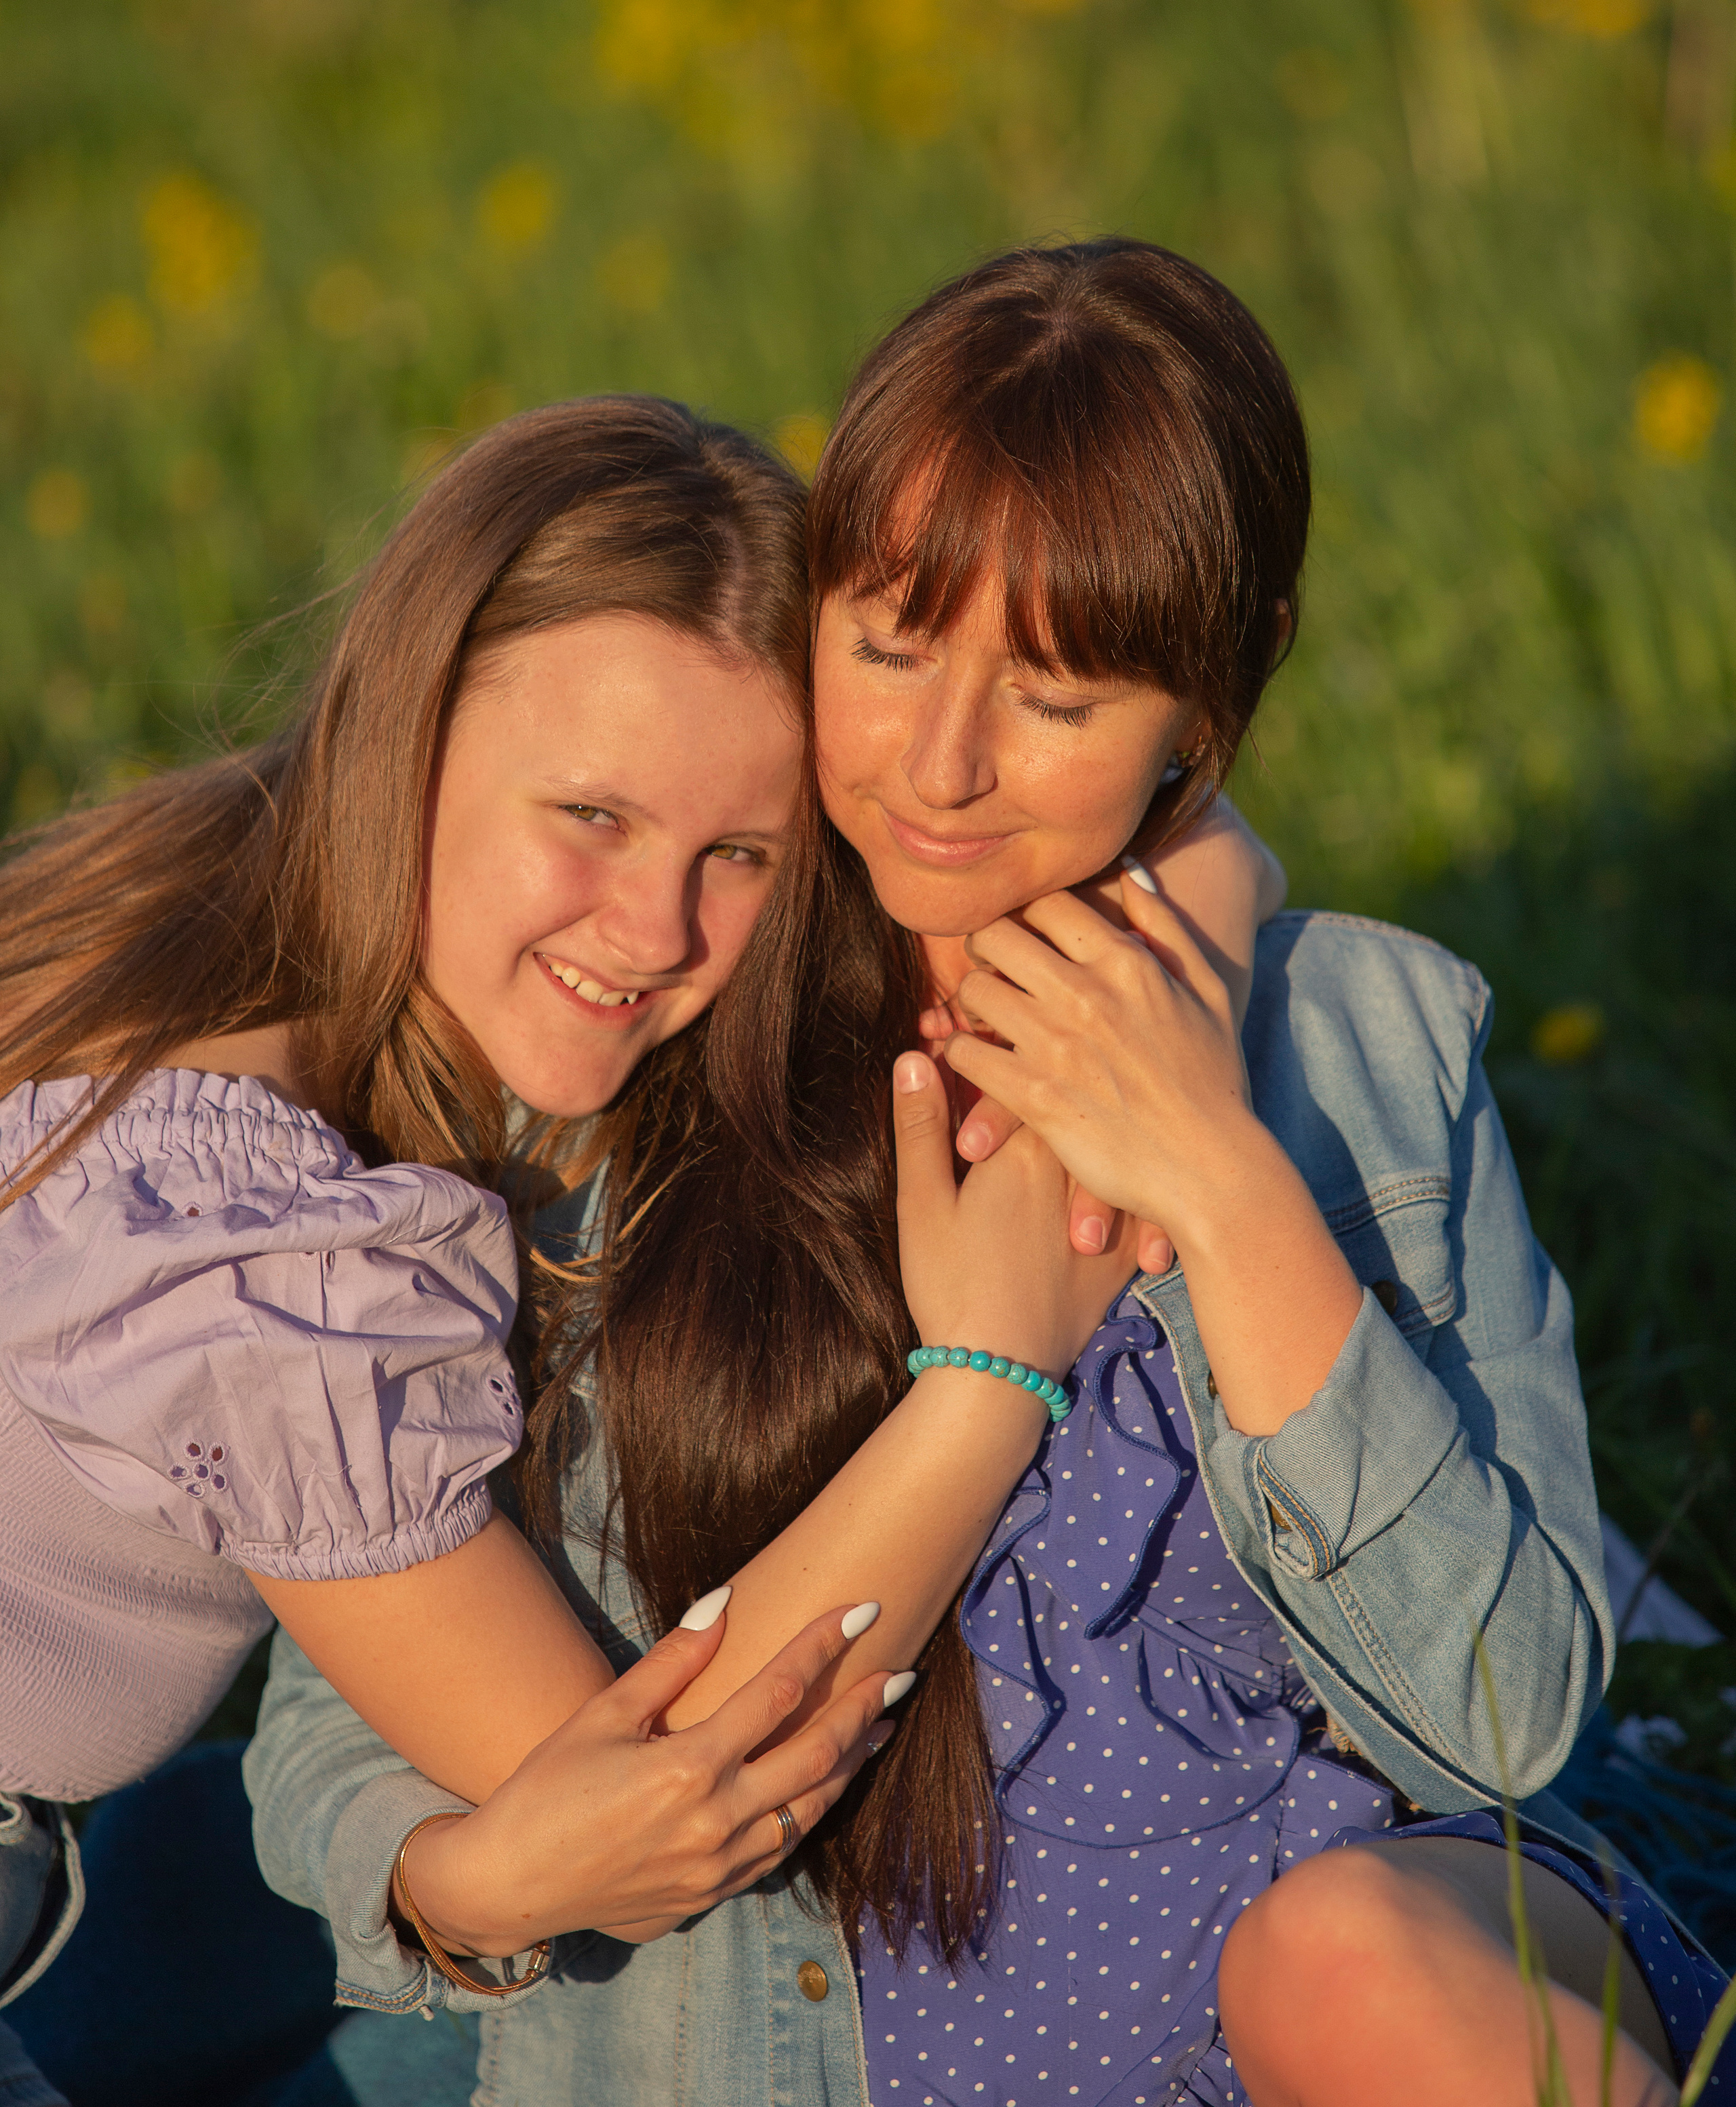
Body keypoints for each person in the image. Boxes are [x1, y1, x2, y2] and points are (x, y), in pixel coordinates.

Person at [248, 241, 1732, 2105]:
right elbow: (343, 1695)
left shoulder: (1350, 1054)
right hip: (768, 2051)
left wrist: (1224, 1177)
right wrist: (457, 1884)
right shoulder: (634, 1030)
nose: (942, 765)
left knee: (1354, 1965)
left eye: (1056, 693)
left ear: (1218, 692)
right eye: (888, 642)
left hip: (1322, 2015)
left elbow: (1500, 1718)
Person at [0, 389, 1276, 2102]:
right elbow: (671, 1786)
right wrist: (992, 1375)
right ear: (415, 733)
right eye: (590, 818)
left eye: (738, 852)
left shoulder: (163, 912)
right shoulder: (247, 1256)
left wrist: (1211, 868)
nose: (655, 930)